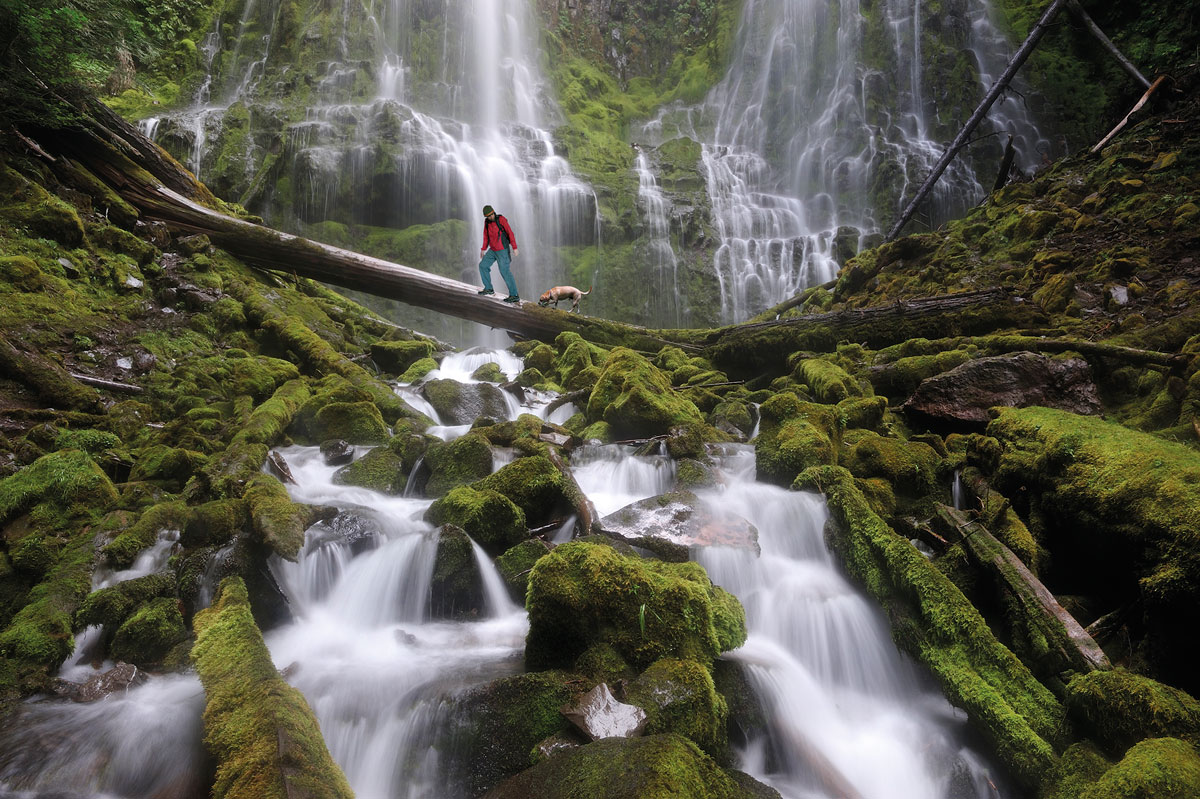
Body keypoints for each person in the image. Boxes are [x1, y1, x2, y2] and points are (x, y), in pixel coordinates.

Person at [477, 205, 520, 303]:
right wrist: (483, 249)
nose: (490, 217)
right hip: (492, 250)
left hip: (502, 250)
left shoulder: (501, 219)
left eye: (491, 215)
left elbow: (510, 233)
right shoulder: (487, 223)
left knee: (505, 272)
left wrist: (514, 247)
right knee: (482, 266)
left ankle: (514, 295)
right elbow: (486, 236)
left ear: (493, 212)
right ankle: (489, 288)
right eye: (488, 216)